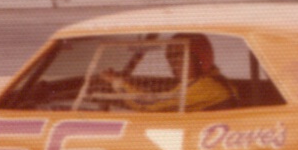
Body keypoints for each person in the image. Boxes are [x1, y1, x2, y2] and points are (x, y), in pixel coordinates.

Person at [96, 34, 235, 112]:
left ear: (199, 58)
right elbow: (156, 99)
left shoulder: (205, 87)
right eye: (170, 57)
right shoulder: (207, 81)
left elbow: (149, 106)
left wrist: (117, 83)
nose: (172, 63)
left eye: (178, 56)